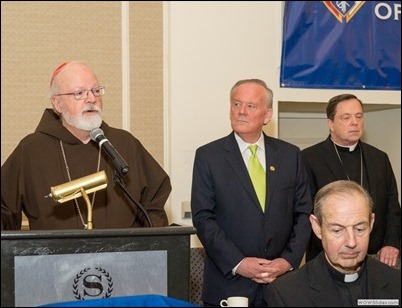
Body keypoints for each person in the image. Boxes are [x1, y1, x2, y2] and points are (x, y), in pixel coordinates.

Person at [1, 60, 171, 230]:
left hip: (123, 255)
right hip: (55, 256)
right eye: (79, 93)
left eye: (96, 91)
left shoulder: (124, 143)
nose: (91, 99)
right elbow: (4, 210)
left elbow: (154, 205)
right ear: (57, 104)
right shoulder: (32, 150)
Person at [191, 79, 312, 307]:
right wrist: (239, 263)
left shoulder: (290, 156)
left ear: (267, 115)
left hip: (281, 286)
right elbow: (203, 218)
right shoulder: (209, 156)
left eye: (250, 106)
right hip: (229, 284)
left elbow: (304, 212)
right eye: (236, 104)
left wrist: (287, 261)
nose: (241, 112)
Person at [265, 180, 401, 307]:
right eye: (337, 230)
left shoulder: (397, 283)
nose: (351, 242)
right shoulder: (285, 294)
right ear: (317, 227)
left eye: (360, 229)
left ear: (371, 223)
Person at [302, 94, 401, 267]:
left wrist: (391, 244)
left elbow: (392, 207)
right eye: (346, 117)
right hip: (329, 257)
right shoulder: (309, 158)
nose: (354, 122)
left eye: (359, 116)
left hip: (377, 256)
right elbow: (306, 213)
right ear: (330, 124)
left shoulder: (379, 158)